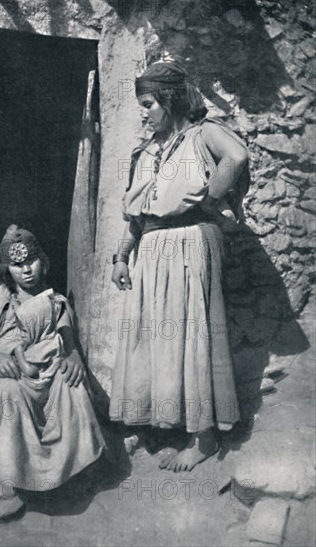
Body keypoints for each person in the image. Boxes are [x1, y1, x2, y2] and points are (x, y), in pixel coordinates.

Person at [109, 58, 249, 472]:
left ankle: (204, 437)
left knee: (193, 336)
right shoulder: (146, 151)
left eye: (150, 103)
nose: (145, 112)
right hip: (150, 250)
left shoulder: (201, 134)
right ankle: (159, 422)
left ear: (170, 100)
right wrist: (122, 255)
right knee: (152, 339)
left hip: (189, 243)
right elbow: (138, 215)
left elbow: (236, 157)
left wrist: (209, 199)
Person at [0, 225, 105, 493]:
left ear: (43, 263)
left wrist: (72, 357)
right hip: (14, 382)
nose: (26, 270)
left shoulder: (55, 302)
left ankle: (77, 472)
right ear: (7, 271)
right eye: (17, 265)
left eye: (32, 261)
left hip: (47, 381)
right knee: (8, 390)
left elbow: (67, 340)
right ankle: (19, 475)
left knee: (73, 383)